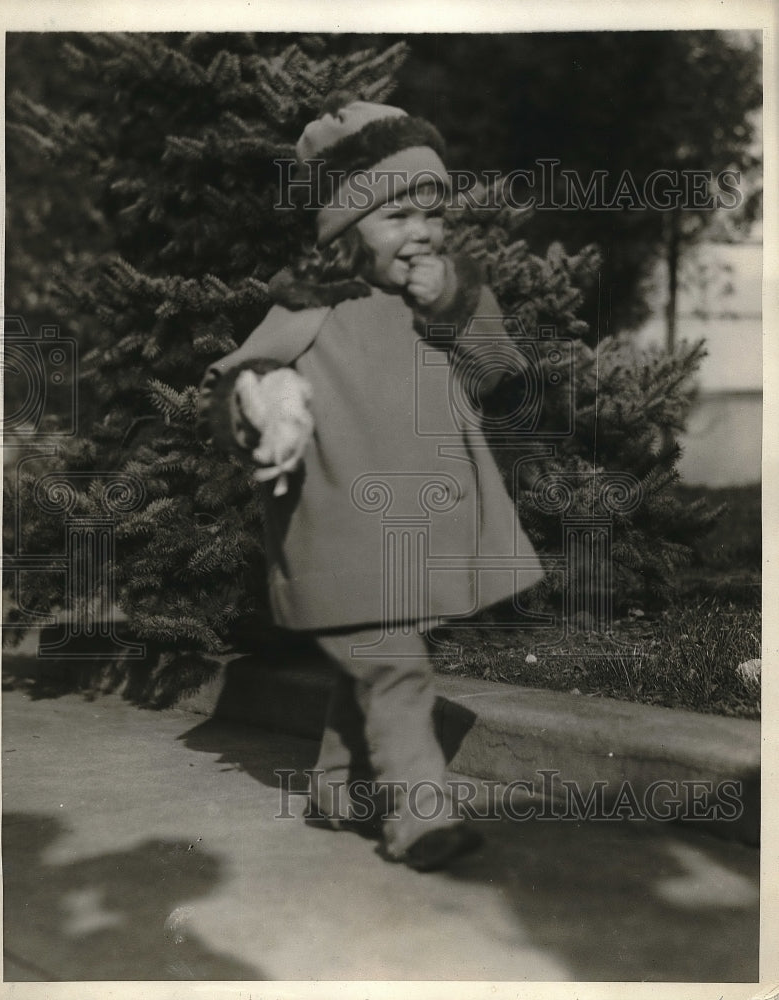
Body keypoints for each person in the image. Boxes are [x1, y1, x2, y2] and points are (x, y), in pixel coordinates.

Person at [199, 101, 544, 871]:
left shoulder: (444, 301)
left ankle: (336, 789)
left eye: (432, 211)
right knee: (395, 666)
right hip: (336, 533)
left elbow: (500, 374)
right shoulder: (314, 307)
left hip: (410, 540)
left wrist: (455, 303)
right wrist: (260, 405)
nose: (420, 231)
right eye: (396, 214)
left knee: (379, 661)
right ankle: (421, 820)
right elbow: (240, 378)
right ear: (343, 228)